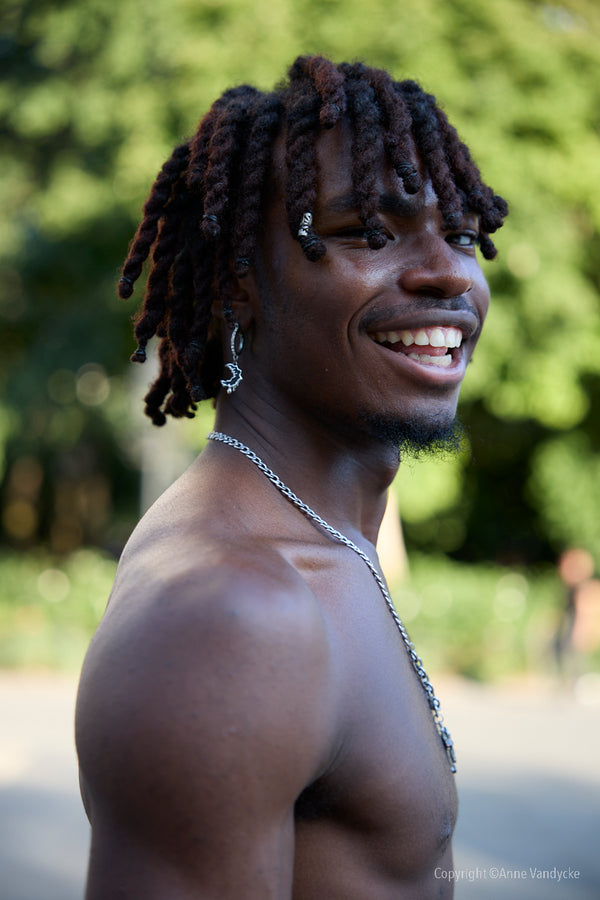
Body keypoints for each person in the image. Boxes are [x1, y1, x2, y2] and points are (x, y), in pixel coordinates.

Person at [75, 55, 508, 898]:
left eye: (460, 234)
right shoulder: (235, 615)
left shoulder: (315, 542)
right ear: (239, 285)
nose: (449, 273)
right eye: (367, 233)